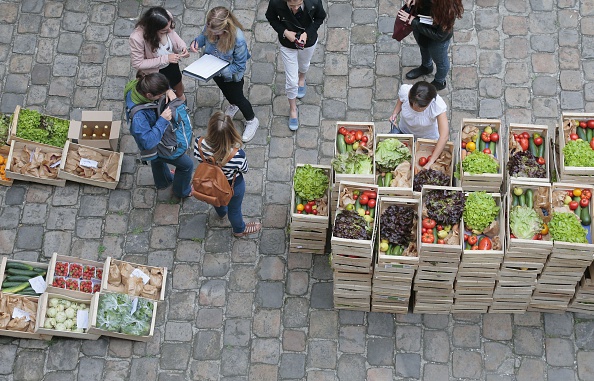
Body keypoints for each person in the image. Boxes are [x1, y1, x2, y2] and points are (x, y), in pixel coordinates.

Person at [189, 7, 259, 143]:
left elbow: (239, 66)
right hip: (215, 71)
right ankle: (233, 104)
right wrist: (196, 42)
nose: (210, 32)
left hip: (231, 76)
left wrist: (219, 70)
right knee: (226, 93)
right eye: (209, 28)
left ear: (225, 29)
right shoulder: (211, 26)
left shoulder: (238, 40)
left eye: (214, 31)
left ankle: (251, 120)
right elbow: (203, 36)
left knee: (239, 98)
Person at [125, 72, 193, 199]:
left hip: (155, 146)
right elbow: (149, 142)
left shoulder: (138, 85)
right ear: (149, 95)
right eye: (160, 95)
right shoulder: (139, 118)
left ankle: (163, 182)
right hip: (156, 142)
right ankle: (181, 191)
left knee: (156, 159)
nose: (162, 96)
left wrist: (168, 90)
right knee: (187, 166)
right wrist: (162, 120)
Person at [194, 111, 261, 237]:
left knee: (215, 198)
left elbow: (198, 158)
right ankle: (239, 230)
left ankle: (221, 212)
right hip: (231, 185)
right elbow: (244, 169)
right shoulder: (237, 155)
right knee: (234, 210)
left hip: (209, 181)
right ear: (231, 131)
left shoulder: (198, 143)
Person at [266, 0, 326, 131]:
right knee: (291, 81)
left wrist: (307, 34)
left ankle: (302, 78)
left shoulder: (314, 2)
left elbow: (320, 17)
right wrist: (284, 32)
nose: (295, 9)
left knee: (304, 65)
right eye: (291, 6)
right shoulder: (276, 3)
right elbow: (271, 17)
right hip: (287, 45)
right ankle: (293, 109)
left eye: (298, 5)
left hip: (308, 42)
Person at [398, 0, 464, 91]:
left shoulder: (448, 9)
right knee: (423, 48)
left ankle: (439, 82)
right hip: (421, 28)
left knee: (441, 62)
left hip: (437, 41)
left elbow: (440, 35)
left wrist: (414, 22)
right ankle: (426, 67)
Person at [129, 7, 190, 101]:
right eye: (164, 31)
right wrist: (165, 59)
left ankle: (181, 101)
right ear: (153, 30)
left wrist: (182, 46)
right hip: (156, 72)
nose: (169, 30)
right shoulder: (137, 38)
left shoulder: (166, 17)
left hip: (171, 65)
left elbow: (172, 33)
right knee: (164, 95)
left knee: (178, 84)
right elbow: (138, 63)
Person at [389, 81, 449, 169]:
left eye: (419, 107)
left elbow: (444, 136)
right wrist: (395, 113)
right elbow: (400, 101)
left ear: (429, 102)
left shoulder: (437, 106)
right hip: (405, 131)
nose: (414, 107)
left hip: (427, 138)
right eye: (411, 103)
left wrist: (430, 161)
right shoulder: (405, 91)